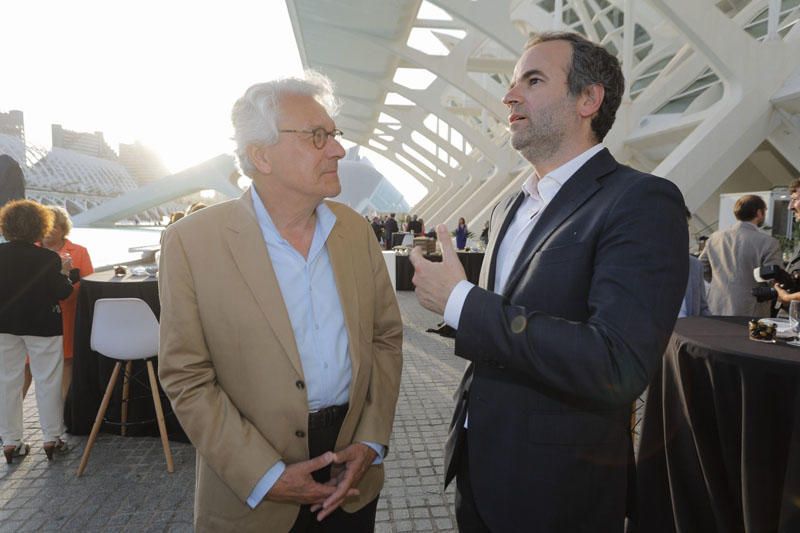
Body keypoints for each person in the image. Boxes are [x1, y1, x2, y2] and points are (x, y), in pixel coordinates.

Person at [409, 31, 688, 532]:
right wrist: (461, 304)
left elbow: (617, 362)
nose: (509, 96)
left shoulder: (641, 202)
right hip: (478, 465)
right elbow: (513, 315)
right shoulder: (513, 204)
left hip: (557, 487)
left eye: (532, 80)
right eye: (512, 83)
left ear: (589, 99)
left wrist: (460, 304)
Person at [158, 72, 403, 532]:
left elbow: (385, 338)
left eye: (333, 135)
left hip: (351, 478)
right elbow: (186, 375)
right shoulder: (192, 243)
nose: (337, 149)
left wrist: (371, 440)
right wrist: (264, 475)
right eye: (317, 136)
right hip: (251, 492)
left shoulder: (355, 232)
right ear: (260, 156)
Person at [0, 200, 73, 463]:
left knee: (7, 382)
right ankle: (52, 438)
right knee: (47, 380)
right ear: (39, 226)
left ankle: (11, 442)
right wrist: (65, 272)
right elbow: (62, 292)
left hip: (4, 326)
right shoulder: (48, 258)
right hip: (42, 325)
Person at [26, 205, 93, 401]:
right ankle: (7, 423)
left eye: (55, 225)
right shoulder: (30, 252)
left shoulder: (79, 252)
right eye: (46, 225)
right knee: (26, 366)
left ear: (63, 229)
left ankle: (66, 414)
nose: (49, 230)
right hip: (34, 319)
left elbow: (88, 283)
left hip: (68, 316)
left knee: (66, 363)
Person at [699, 194, 782, 316]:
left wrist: (720, 281)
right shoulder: (769, 243)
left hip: (716, 306)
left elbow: (702, 267)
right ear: (759, 213)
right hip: (751, 310)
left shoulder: (715, 238)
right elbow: (774, 278)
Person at [680, 208, 710, 318]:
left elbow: (702, 308)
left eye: (686, 226)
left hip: (688, 332)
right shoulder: (645, 264)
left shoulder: (695, 265)